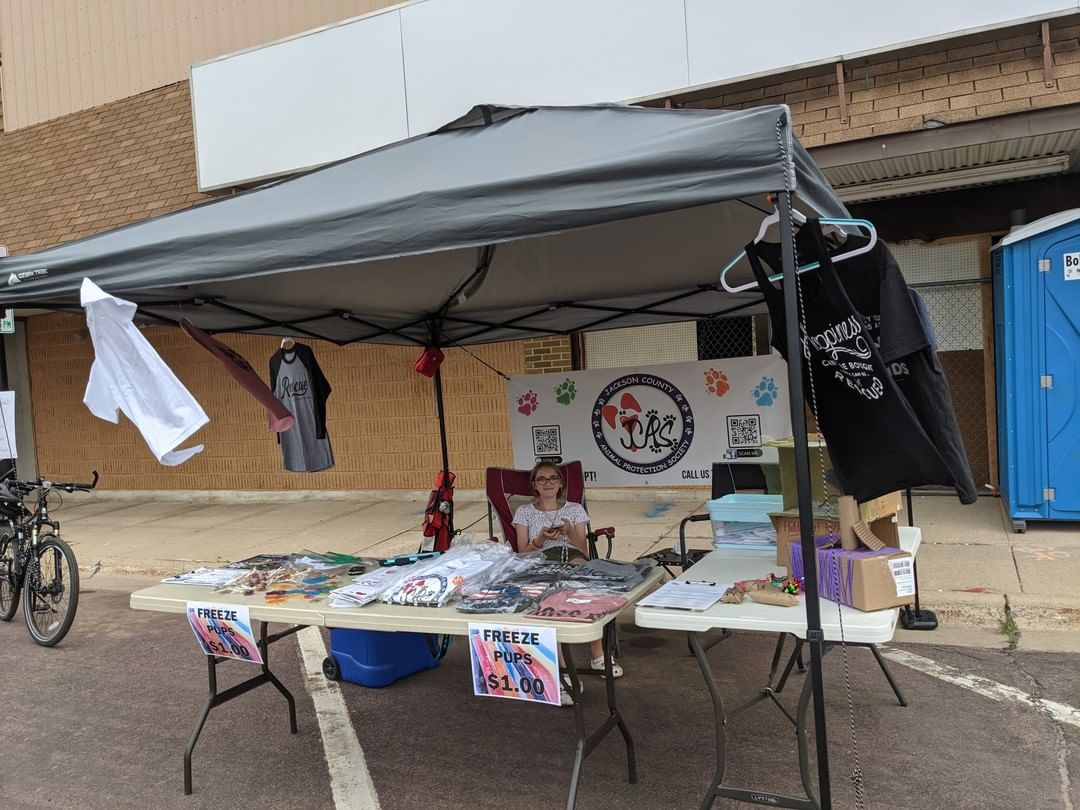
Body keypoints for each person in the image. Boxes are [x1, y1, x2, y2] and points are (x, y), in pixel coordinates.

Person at [511, 462, 623, 705]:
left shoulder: (574, 509)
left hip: (573, 558)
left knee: (586, 588)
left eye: (553, 478)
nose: (548, 482)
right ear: (534, 485)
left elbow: (583, 549)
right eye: (542, 479)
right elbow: (521, 555)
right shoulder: (524, 512)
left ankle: (598, 655)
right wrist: (540, 538)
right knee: (551, 600)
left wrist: (570, 531)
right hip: (540, 561)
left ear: (561, 483)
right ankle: (561, 671)